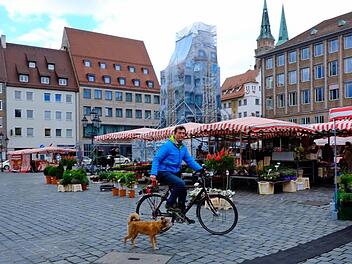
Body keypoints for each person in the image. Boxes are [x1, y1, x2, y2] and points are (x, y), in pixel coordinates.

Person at [150, 125, 202, 222]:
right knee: (180, 184)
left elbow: (189, 160)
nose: (182, 135)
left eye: (183, 133)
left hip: (175, 173)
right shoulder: (167, 146)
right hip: (164, 172)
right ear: (174, 134)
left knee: (183, 190)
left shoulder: (182, 148)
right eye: (180, 133)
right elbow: (157, 159)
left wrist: (201, 169)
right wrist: (153, 173)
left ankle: (181, 214)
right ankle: (169, 204)